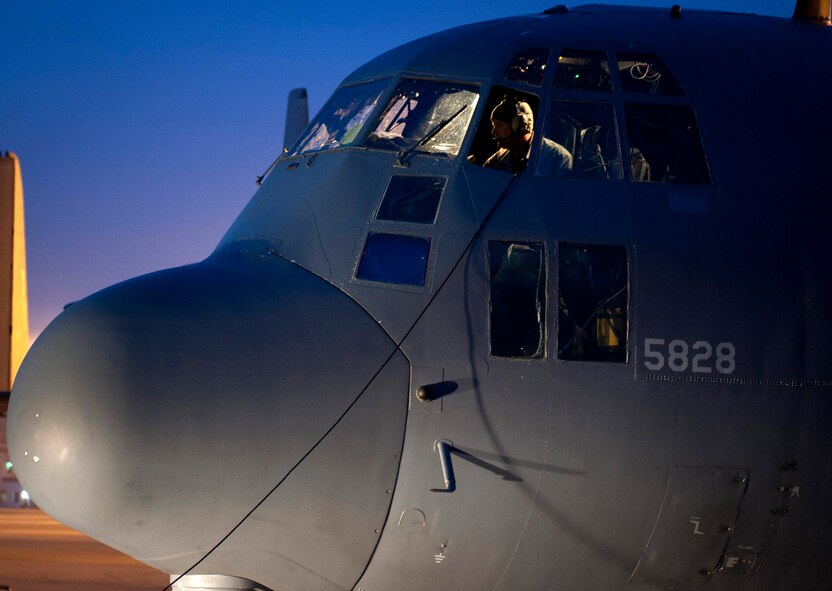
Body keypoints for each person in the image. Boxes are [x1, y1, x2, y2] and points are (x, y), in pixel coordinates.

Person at [482, 98, 572, 174]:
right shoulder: (500, 156)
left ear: (518, 125)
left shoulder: (558, 157)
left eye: (499, 125)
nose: (493, 132)